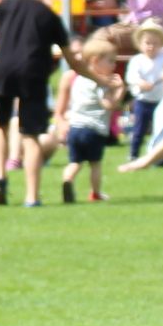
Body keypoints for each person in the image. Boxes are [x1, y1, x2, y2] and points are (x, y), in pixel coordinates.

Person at [0, 0, 106, 208]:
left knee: (0, 126)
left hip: (2, 70)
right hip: (32, 73)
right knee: (31, 136)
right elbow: (73, 61)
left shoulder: (4, 7)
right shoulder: (49, 15)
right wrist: (100, 79)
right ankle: (32, 196)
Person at [53, 36, 127, 203]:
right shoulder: (99, 83)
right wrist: (120, 90)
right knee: (95, 164)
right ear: (95, 61)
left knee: (75, 162)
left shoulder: (78, 80)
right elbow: (109, 104)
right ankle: (96, 193)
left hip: (75, 128)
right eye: (110, 61)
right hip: (93, 130)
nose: (114, 65)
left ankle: (67, 180)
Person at [122, 19, 163, 159]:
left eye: (155, 43)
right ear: (140, 44)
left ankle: (158, 153)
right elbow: (131, 77)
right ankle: (133, 153)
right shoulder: (137, 60)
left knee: (160, 128)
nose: (151, 46)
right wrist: (141, 83)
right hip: (143, 101)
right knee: (139, 129)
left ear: (161, 44)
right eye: (147, 43)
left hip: (161, 101)